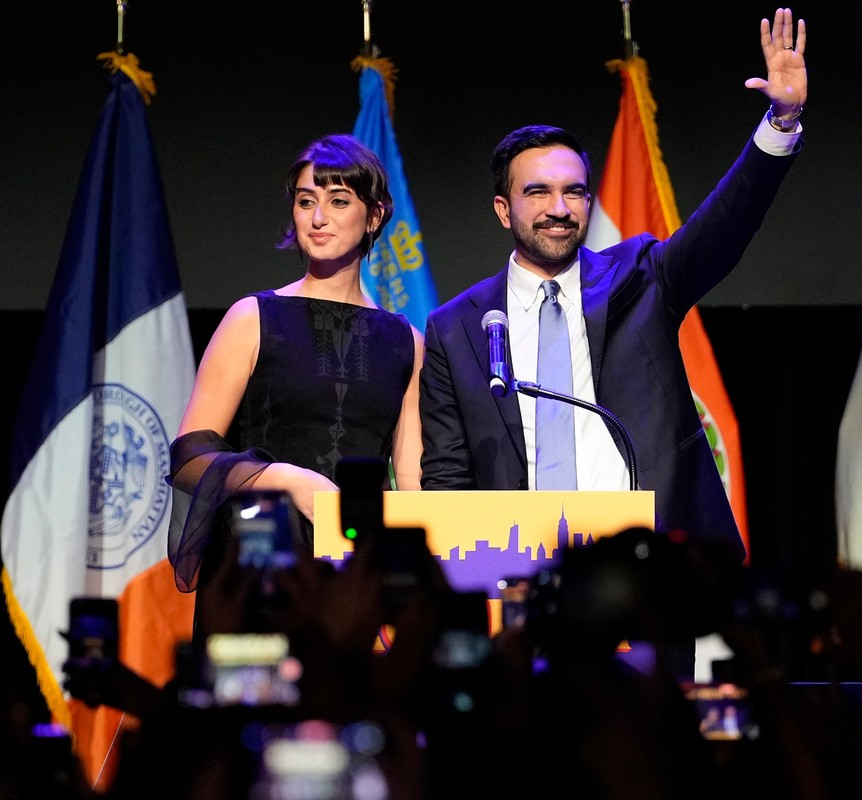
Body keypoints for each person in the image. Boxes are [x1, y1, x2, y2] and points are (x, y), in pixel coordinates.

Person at [418, 8, 807, 569]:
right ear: (504, 210)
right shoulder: (457, 328)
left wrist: (781, 122)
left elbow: (724, 226)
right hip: (519, 574)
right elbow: (448, 478)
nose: (559, 209)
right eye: (539, 193)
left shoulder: (640, 277)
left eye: (574, 192)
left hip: (646, 571)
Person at [165, 133, 425, 604]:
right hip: (260, 566)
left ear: (376, 216)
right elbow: (190, 459)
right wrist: (289, 479)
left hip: (355, 573)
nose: (318, 218)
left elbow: (411, 484)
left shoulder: (407, 340)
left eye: (339, 201)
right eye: (307, 201)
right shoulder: (252, 318)